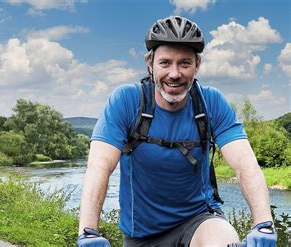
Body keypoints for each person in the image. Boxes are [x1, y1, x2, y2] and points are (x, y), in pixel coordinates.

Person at [77, 16, 277, 247]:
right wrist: (88, 231)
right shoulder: (126, 101)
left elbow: (245, 165)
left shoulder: (210, 102)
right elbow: (99, 167)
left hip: (200, 220)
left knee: (222, 240)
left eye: (184, 63)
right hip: (142, 234)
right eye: (165, 63)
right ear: (150, 64)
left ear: (197, 65)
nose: (174, 74)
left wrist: (263, 223)